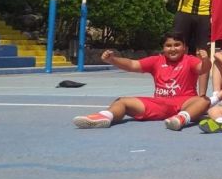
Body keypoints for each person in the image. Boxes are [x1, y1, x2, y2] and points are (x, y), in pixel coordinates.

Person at [72, 32, 211, 131]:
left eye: (177, 45)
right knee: (122, 101)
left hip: (184, 103)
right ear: (163, 48)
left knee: (204, 101)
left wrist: (205, 60)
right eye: (168, 45)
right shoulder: (156, 60)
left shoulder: (190, 60)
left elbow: (203, 68)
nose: (173, 48)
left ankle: (181, 119)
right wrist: (112, 60)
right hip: (159, 104)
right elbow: (132, 65)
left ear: (185, 48)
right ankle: (105, 117)